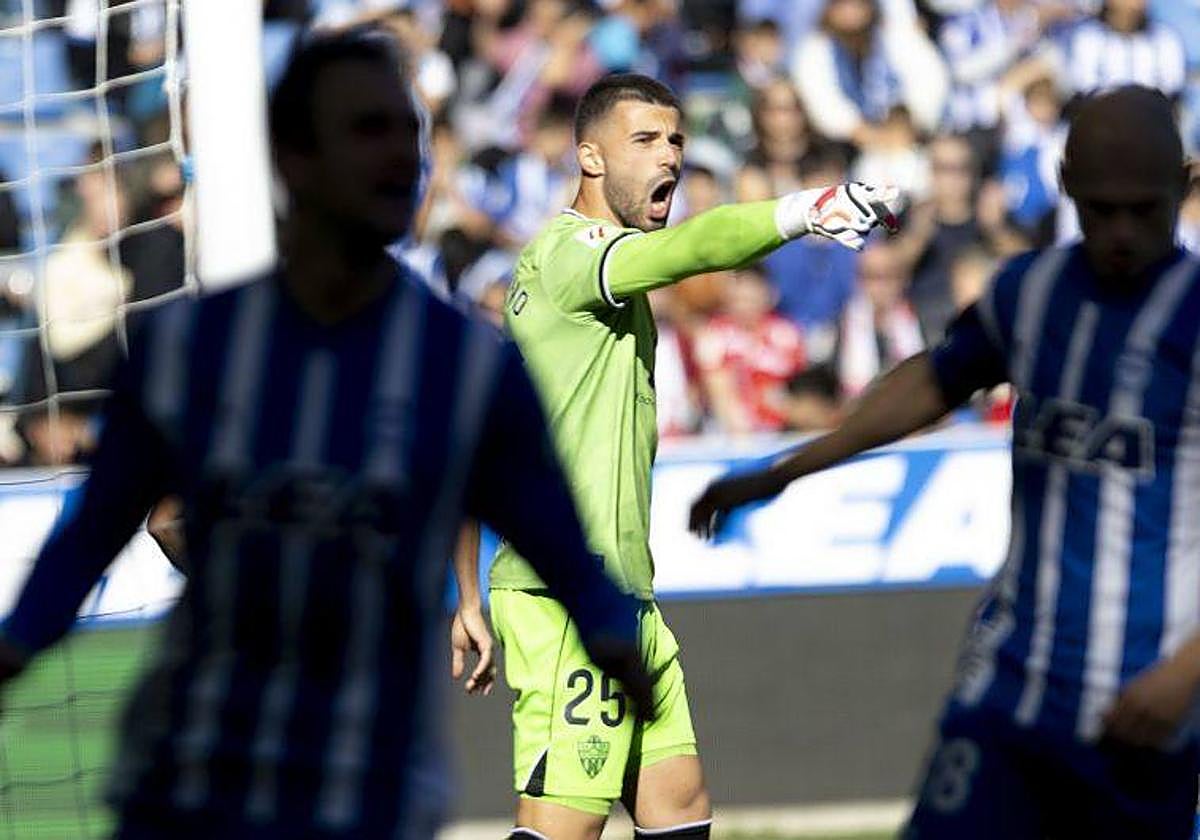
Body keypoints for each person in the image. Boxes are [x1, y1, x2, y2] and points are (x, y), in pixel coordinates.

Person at [0, 28, 653, 840]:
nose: (401, 158)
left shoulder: (467, 371)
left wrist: (612, 635)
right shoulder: (189, 353)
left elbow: (556, 541)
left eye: (408, 134)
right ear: (293, 158)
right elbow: (93, 534)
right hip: (190, 784)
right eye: (366, 130)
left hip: (369, 791)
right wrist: (17, 643)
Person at [690, 85, 1200, 839]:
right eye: (1101, 208)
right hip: (1011, 685)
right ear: (1064, 185)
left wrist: (1187, 676)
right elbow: (932, 381)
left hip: (1148, 708)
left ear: (1185, 185)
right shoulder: (1029, 294)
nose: (1121, 232)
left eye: (1142, 209)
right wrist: (785, 469)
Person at [469, 71, 899, 840]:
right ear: (590, 158)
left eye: (675, 140)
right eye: (644, 140)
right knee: (567, 824)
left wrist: (468, 595)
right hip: (565, 599)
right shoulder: (572, 257)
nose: (667, 155)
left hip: (624, 594)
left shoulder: (584, 280)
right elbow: (692, 249)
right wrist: (806, 210)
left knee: (680, 808)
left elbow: (476, 438)